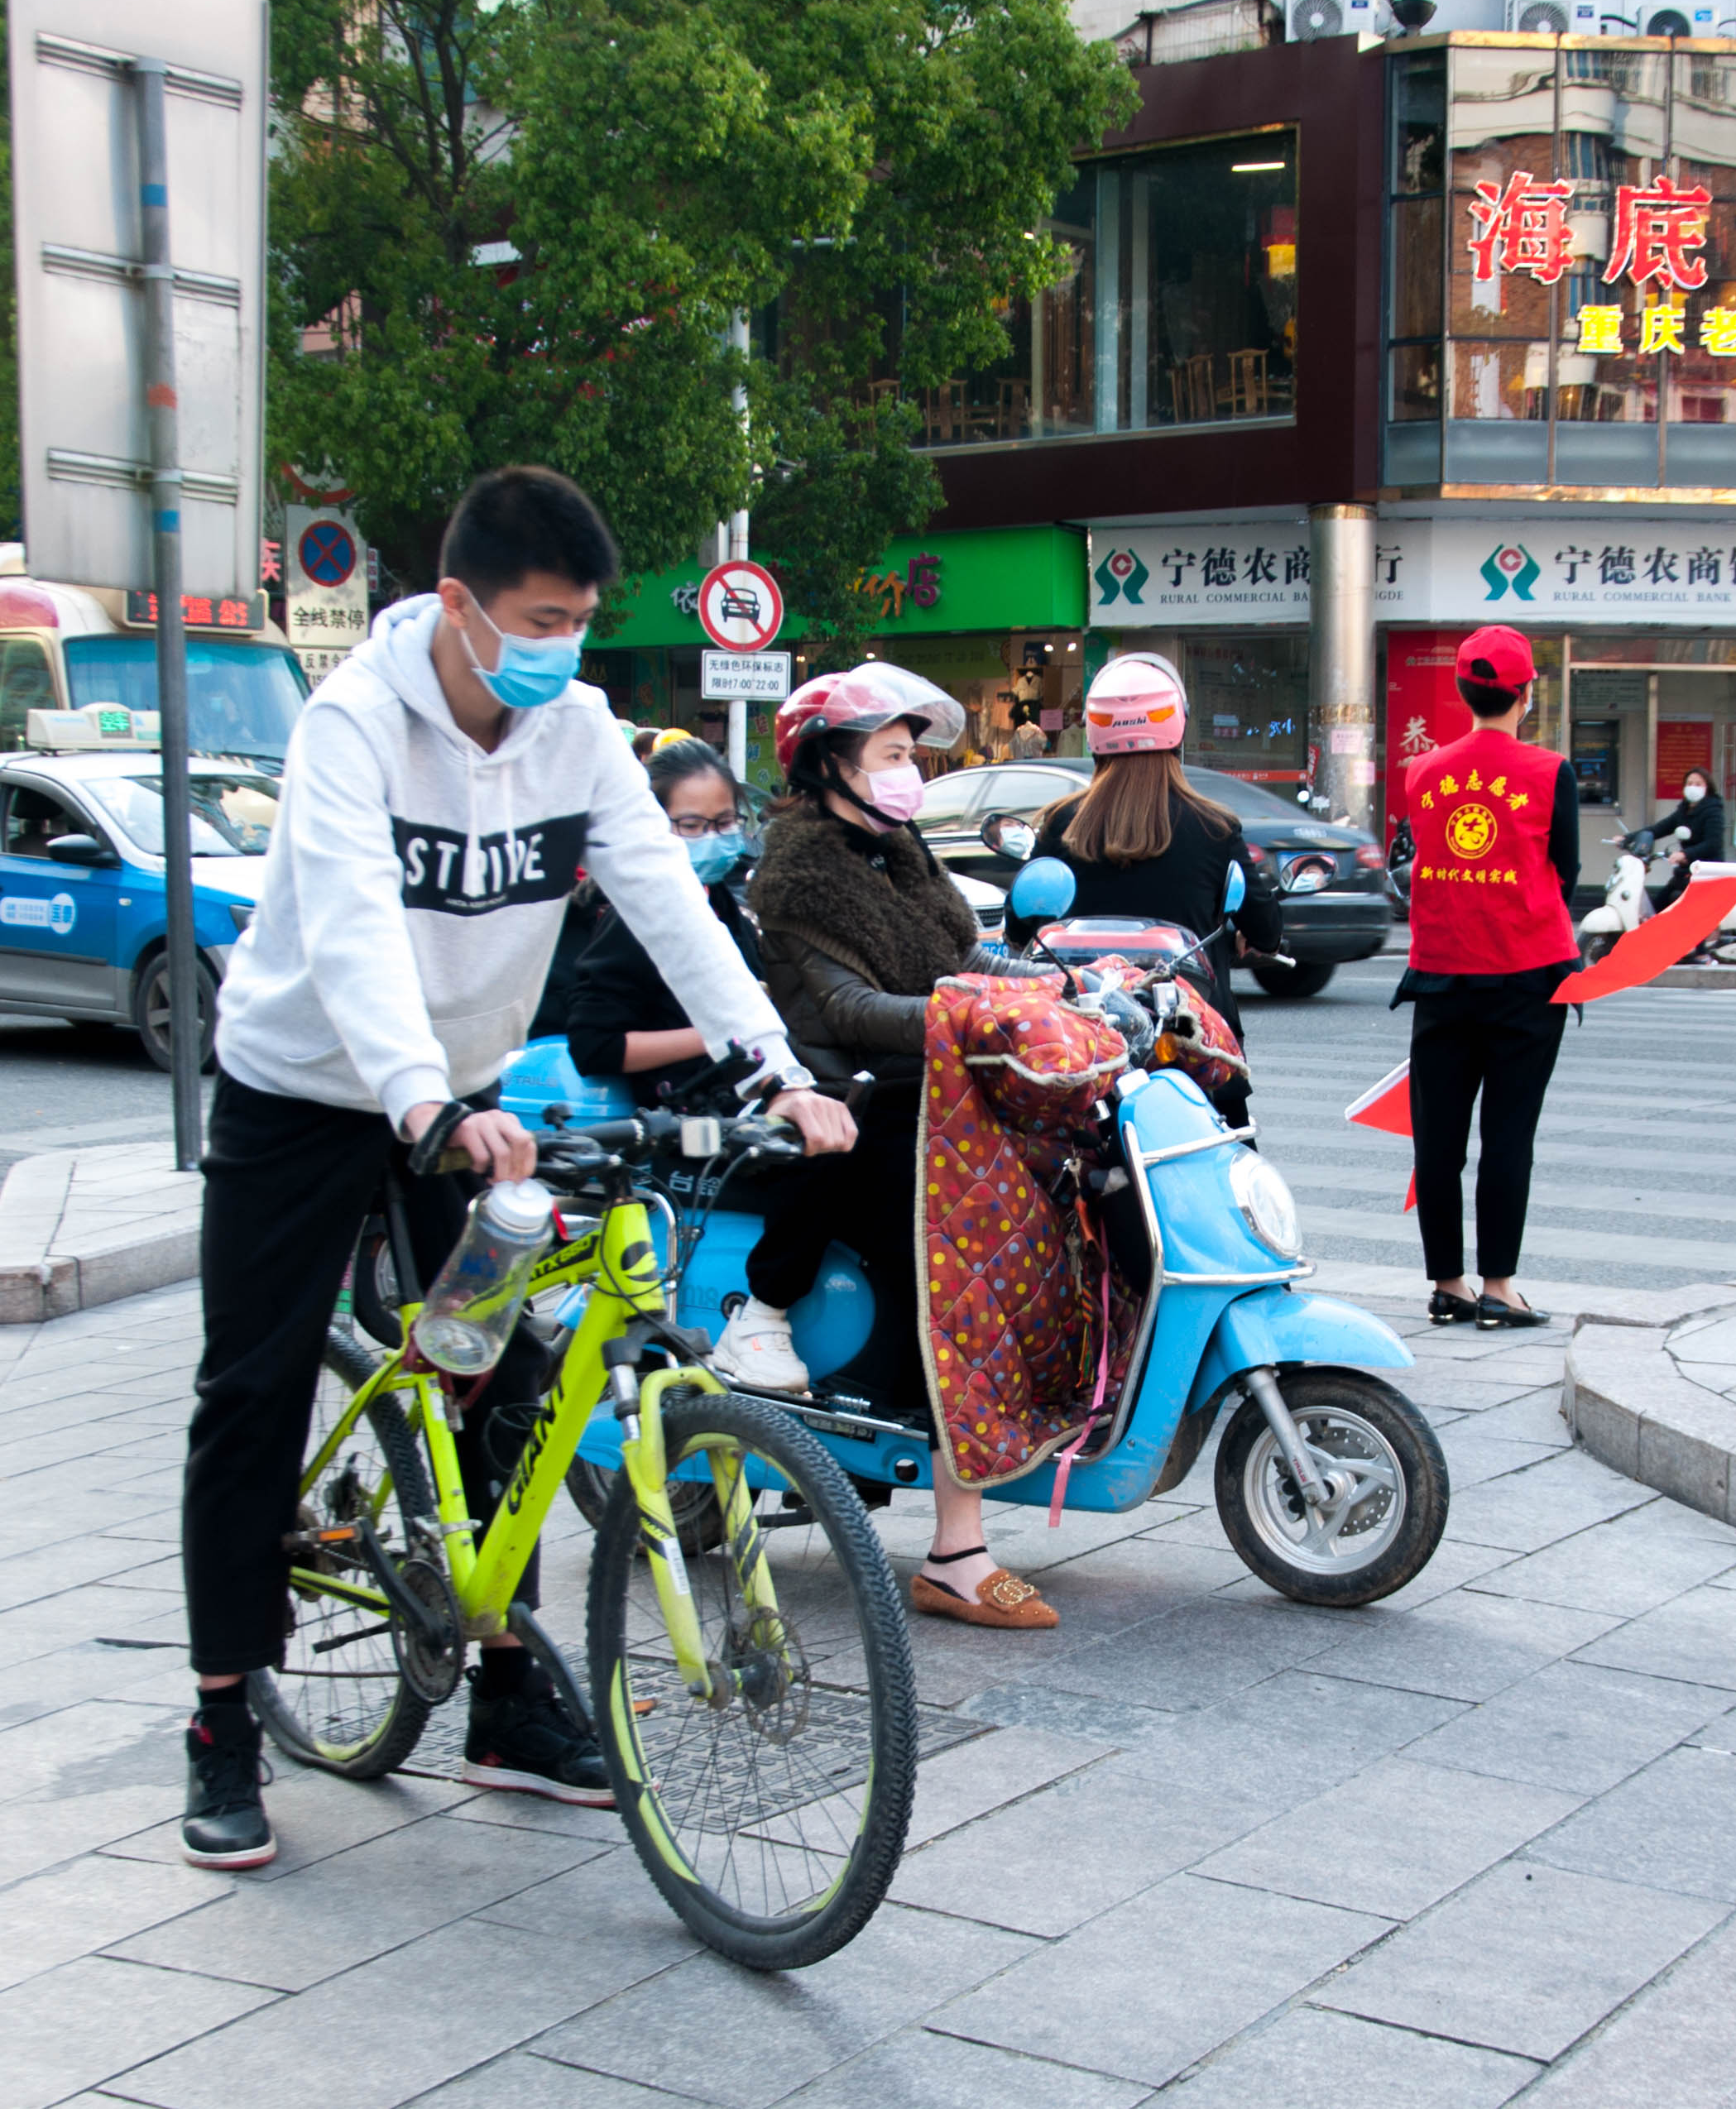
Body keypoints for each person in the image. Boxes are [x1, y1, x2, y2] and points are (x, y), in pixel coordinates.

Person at [180, 466, 856, 1870]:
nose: (563, 644)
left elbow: (670, 898)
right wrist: (417, 1095)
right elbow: (359, 922)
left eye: (581, 620)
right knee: (249, 1390)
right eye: (540, 617)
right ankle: (224, 1715)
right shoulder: (353, 724)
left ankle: (502, 1699)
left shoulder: (582, 733)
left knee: (498, 1380)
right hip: (306, 1086)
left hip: (464, 1093)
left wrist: (777, 1067)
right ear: (460, 607)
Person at [721, 664, 1070, 1631]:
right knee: (959, 1284)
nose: (908, 771)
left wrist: (1051, 977)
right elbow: (842, 1009)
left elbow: (959, 961)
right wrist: (975, 1009)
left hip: (936, 1092)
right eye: (891, 754)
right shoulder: (796, 877)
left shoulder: (900, 856)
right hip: (852, 1100)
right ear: (829, 762)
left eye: (911, 754)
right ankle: (955, 1552)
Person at [1397, 626, 1581, 1331]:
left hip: (1442, 977)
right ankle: (1498, 1286)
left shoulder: (1424, 772)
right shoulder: (1549, 771)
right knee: (1508, 1136)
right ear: (1526, 694)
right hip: (1527, 979)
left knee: (1437, 1137)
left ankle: (1449, 1282)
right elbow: (1565, 869)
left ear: (1464, 693)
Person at [1029, 652, 1282, 1124]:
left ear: (1094, 734)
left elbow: (1022, 925)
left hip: (1086, 1038)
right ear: (1178, 726)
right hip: (1191, 1035)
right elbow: (1265, 928)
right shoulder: (1214, 827)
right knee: (1225, 1166)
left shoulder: (1062, 824)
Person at [567, 737, 767, 1100]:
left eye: (724, 822)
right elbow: (594, 1046)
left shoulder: (717, 895)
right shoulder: (632, 916)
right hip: (669, 1128)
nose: (713, 837)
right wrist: (723, 1034)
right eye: (691, 826)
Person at [1646, 767, 1727, 908]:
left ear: (1707, 788)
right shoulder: (1683, 810)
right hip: (1685, 873)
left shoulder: (1713, 811)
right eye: (1689, 784)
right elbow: (1660, 828)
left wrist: (1684, 854)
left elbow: (1713, 844)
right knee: (1657, 906)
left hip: (1705, 874)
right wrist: (1629, 838)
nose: (1693, 788)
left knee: (1674, 902)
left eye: (1698, 784)